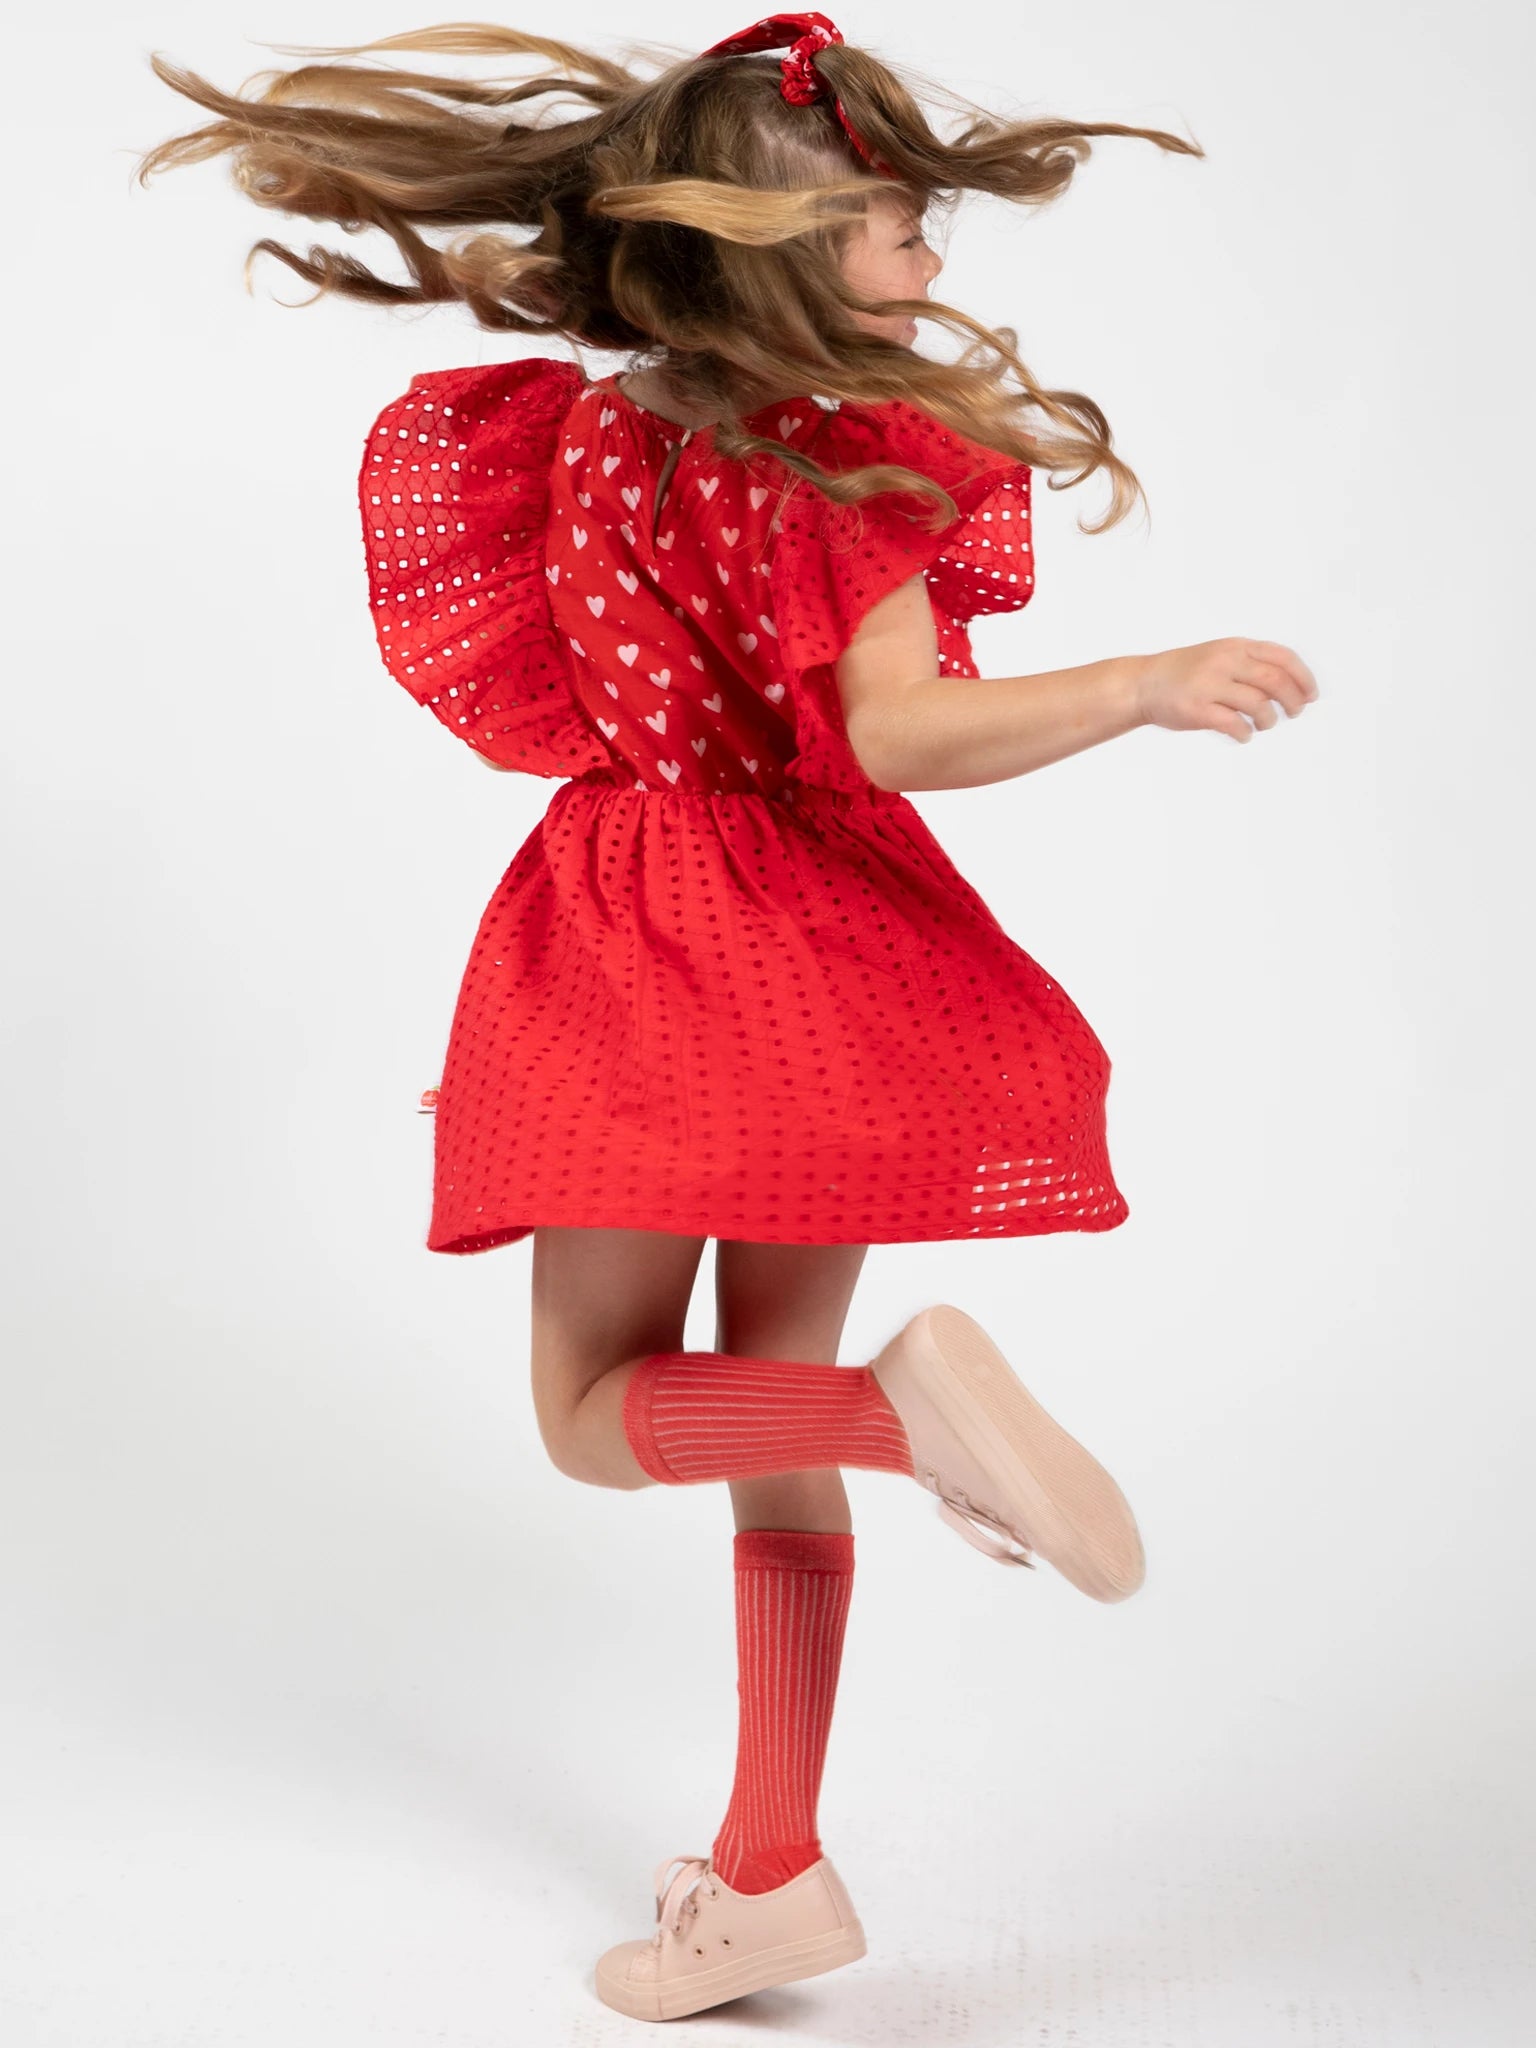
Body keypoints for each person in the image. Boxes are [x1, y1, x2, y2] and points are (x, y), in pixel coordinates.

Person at [137, 12, 1318, 2022]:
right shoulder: (852, 466)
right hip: (823, 954)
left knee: (596, 1416)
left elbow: (752, 706)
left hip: (630, 935)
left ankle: (853, 1578)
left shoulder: (588, 440)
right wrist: (1137, 684)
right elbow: (894, 731)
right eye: (897, 223)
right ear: (775, 251)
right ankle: (775, 1848)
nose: (933, 258)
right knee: (769, 1414)